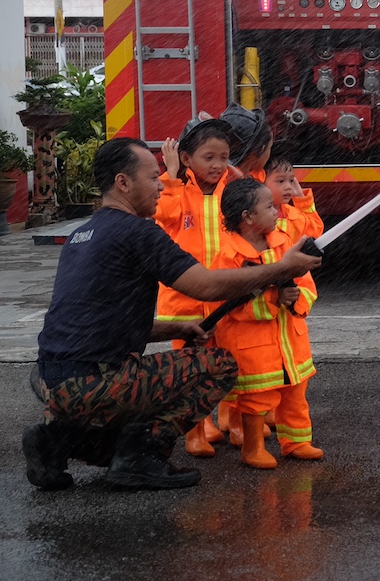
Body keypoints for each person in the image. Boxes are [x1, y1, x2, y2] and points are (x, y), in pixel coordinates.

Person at [23, 138, 321, 491]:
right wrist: (280, 269)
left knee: (108, 448)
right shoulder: (138, 233)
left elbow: (102, 322)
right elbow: (206, 286)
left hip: (51, 381)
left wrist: (176, 327)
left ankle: (58, 439)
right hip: (96, 383)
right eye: (153, 178)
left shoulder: (81, 236)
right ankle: (141, 459)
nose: (162, 185)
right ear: (123, 183)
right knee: (219, 365)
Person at [214, 178, 323, 469]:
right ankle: (253, 449)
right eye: (269, 207)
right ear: (247, 217)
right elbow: (229, 306)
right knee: (256, 402)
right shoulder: (229, 256)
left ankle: (297, 442)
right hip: (254, 348)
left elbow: (307, 285)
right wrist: (275, 301)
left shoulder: (284, 243)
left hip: (291, 343)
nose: (277, 211)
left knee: (295, 396)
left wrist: (296, 299)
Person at [156, 113, 242, 457]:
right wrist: (173, 175)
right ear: (186, 158)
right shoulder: (171, 190)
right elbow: (164, 216)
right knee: (190, 369)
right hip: (185, 300)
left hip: (225, 297)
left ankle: (232, 421)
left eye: (224, 157)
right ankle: (195, 431)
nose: (219, 165)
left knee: (233, 362)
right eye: (209, 157)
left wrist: (238, 176)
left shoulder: (231, 190)